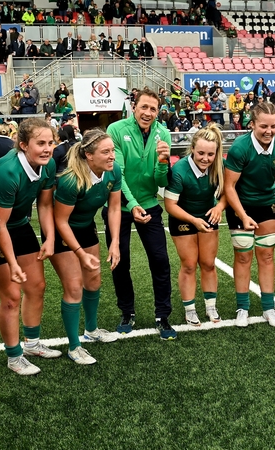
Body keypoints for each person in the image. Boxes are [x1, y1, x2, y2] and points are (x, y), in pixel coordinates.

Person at [0, 118, 63, 375]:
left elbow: (45, 205)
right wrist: (12, 263)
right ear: (23, 145)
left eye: (50, 143)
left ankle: (32, 344)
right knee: (11, 297)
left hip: (19, 225)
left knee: (36, 286)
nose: (47, 149)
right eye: (40, 143)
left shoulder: (49, 163)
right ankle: (14, 356)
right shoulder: (6, 172)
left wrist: (50, 238)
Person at [104, 88, 176, 339]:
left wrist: (164, 162)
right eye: (143, 107)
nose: (147, 113)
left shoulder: (162, 132)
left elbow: (160, 180)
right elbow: (116, 174)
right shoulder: (115, 130)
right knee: (120, 261)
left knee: (160, 260)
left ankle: (162, 315)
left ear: (158, 112)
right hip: (117, 204)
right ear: (134, 107)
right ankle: (127, 311)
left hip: (149, 203)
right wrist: (132, 204)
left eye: (153, 109)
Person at [52, 129, 121, 364]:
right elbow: (60, 221)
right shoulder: (71, 180)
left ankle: (91, 331)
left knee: (94, 281)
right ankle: (74, 347)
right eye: (106, 152)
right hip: (62, 231)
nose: (112, 156)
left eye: (113, 150)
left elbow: (113, 208)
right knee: (74, 287)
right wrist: (79, 253)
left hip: (85, 227)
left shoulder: (114, 172)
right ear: (89, 156)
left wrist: (115, 243)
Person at [224, 102, 275, 327]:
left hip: (267, 205)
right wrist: (242, 215)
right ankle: (242, 308)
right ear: (252, 124)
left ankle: (268, 308)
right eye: (264, 126)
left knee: (267, 255)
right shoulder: (239, 148)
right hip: (240, 205)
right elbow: (229, 186)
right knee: (243, 256)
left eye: (274, 126)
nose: (269, 131)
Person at [164, 124, 227, 326]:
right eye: (200, 153)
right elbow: (170, 205)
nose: (205, 158)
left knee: (208, 263)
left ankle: (211, 306)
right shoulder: (180, 170)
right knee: (189, 264)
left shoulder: (218, 166)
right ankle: (189, 309)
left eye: (210, 154)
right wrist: (193, 220)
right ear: (192, 149)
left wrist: (219, 208)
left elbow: (229, 193)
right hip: (183, 218)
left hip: (208, 216)